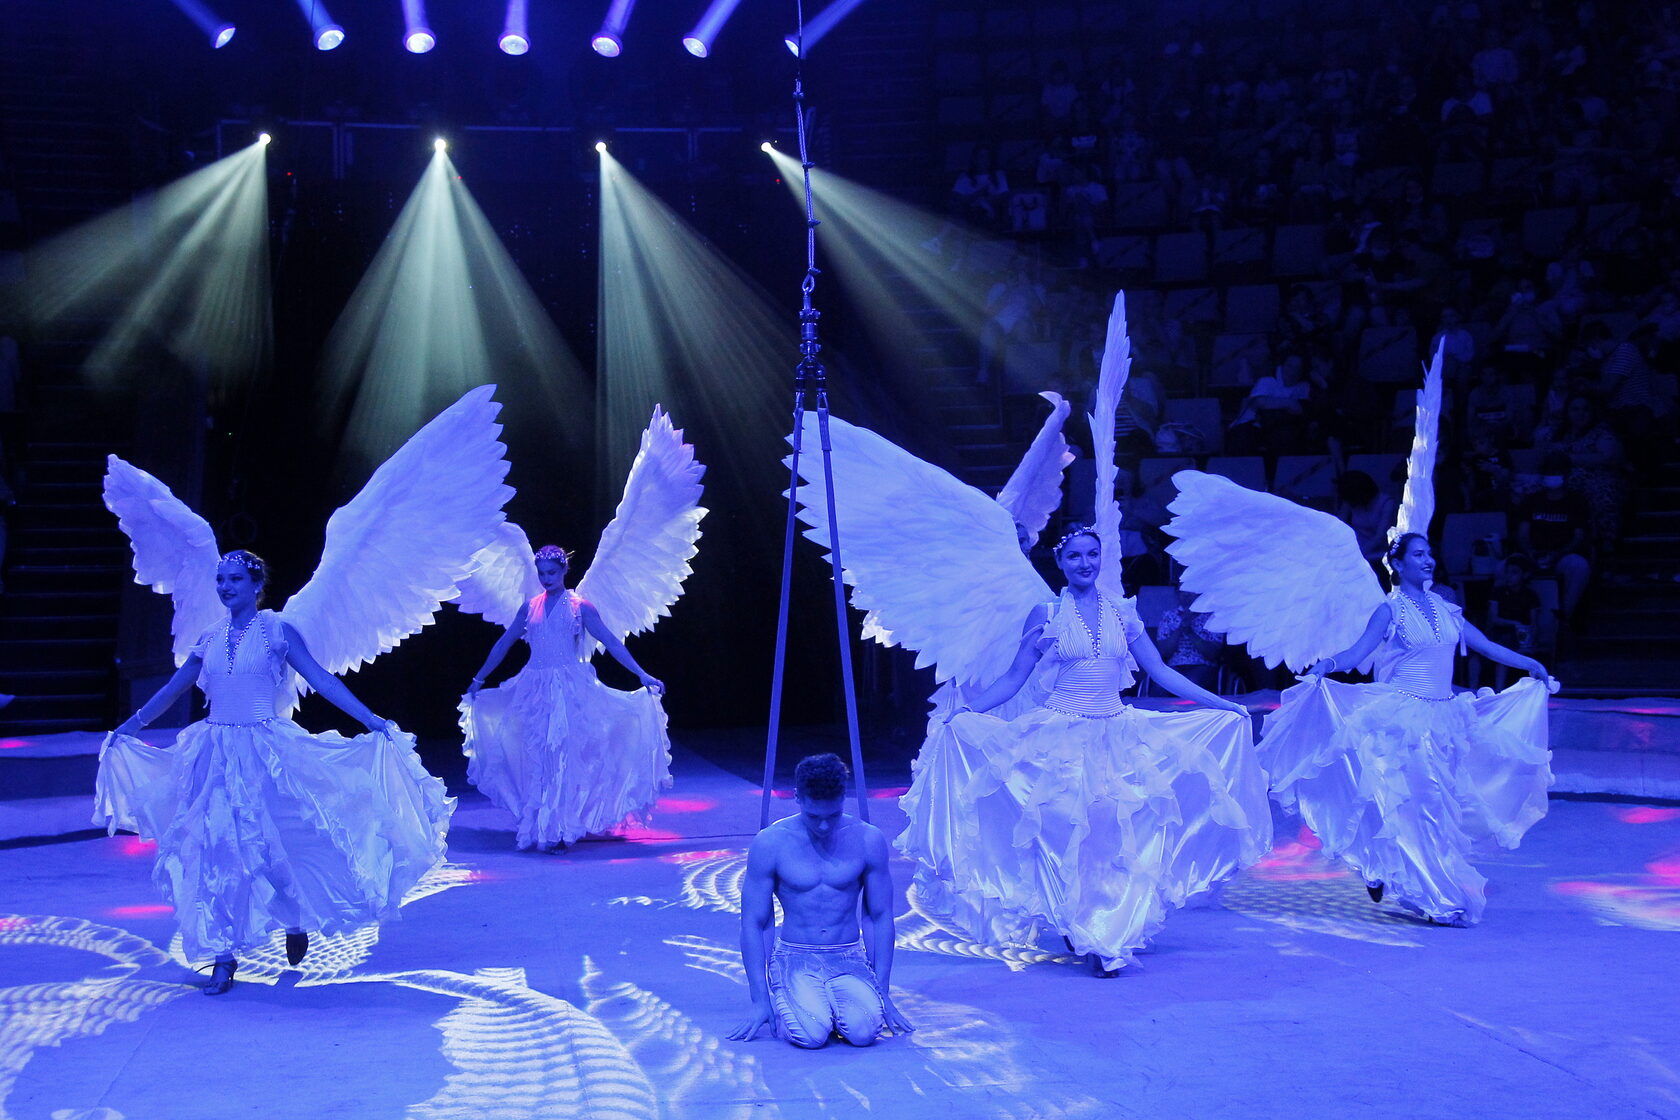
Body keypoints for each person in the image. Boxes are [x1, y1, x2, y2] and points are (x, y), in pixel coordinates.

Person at [900, 526, 1269, 977]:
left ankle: (1105, 933)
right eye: (1074, 556)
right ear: (1061, 562)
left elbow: (1161, 671)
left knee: (1115, 835)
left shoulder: (1121, 613)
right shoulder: (1047, 612)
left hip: (1116, 733)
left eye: (1092, 554)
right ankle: (1079, 920)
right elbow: (1015, 676)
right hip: (1061, 734)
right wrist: (966, 712)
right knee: (1063, 832)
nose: (1085, 563)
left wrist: (1221, 704)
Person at [100, 551, 453, 995]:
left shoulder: (276, 630)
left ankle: (295, 915)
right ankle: (222, 958)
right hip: (215, 752)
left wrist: (371, 719)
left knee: (278, 843)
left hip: (266, 750)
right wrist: (130, 727)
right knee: (214, 849)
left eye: (233, 579)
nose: (225, 587)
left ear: (254, 584)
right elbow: (174, 688)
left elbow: (322, 680)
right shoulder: (209, 638)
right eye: (220, 579)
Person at [1268, 533, 1554, 927]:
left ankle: (1382, 865)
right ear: (1398, 564)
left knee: (1436, 806)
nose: (1429, 560)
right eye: (1418, 554)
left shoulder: (1447, 609)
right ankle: (1439, 900)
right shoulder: (1389, 610)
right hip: (1403, 721)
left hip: (1444, 720)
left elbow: (1485, 646)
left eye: (1430, 553)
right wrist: (1327, 665)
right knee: (1418, 807)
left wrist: (1528, 662)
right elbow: (1357, 652)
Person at [462, 544, 668, 852]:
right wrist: (478, 678)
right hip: (534, 687)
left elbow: (610, 641)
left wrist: (642, 674)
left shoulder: (580, 606)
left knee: (562, 755)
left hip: (569, 688)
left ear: (563, 571)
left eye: (552, 573)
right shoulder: (529, 607)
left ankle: (560, 828)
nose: (546, 579)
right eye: (542, 573)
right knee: (537, 756)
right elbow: (503, 644)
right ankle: (542, 823)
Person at [730, 753, 913, 1048]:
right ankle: (804, 999)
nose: (825, 827)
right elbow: (755, 922)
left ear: (843, 798)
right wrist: (760, 999)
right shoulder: (771, 842)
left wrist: (884, 992)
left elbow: (879, 917)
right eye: (815, 817)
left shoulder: (868, 839)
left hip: (848, 957)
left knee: (864, 1033)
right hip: (796, 957)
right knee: (811, 1035)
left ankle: (835, 1005)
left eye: (833, 816)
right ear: (797, 798)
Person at [1512, 452, 1592, 620]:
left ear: (1566, 474)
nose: (1552, 476)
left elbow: (1578, 536)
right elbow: (1522, 533)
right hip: (1532, 555)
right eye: (1549, 472)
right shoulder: (1531, 501)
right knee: (1502, 568)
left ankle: (1564, 619)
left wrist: (1558, 554)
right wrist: (1530, 552)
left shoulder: (1577, 502)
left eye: (1556, 472)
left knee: (1579, 566)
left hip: (1563, 556)